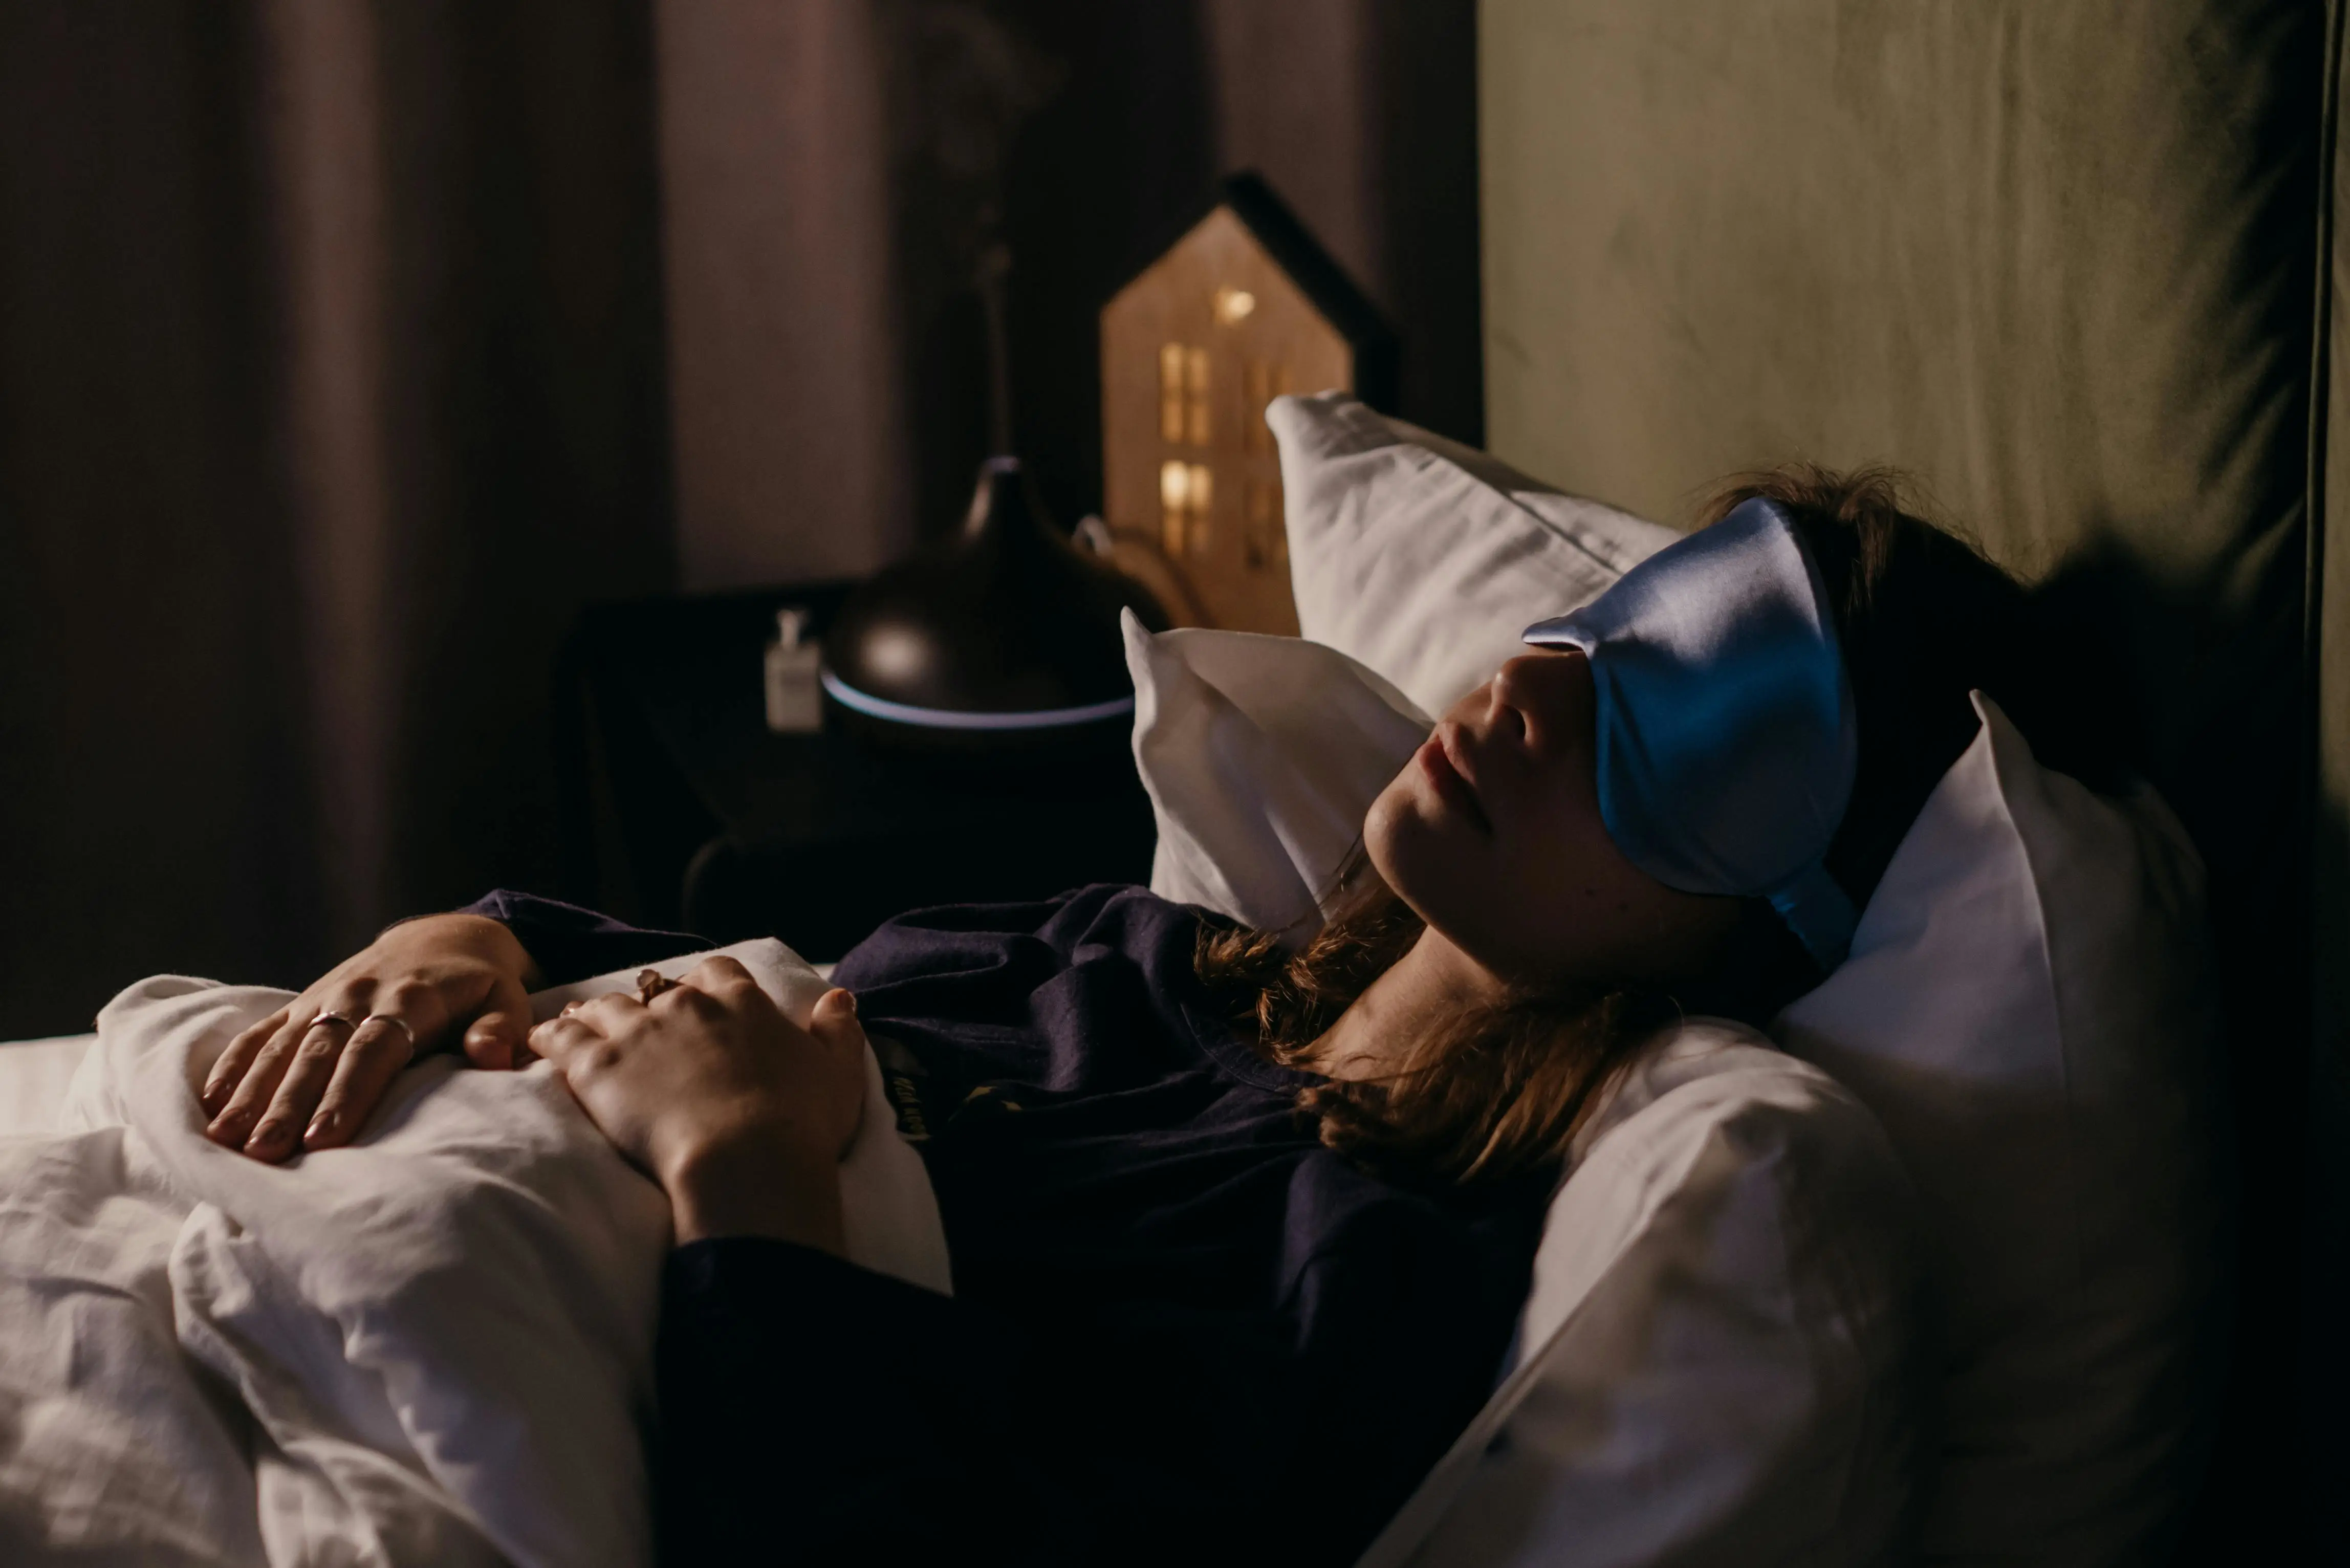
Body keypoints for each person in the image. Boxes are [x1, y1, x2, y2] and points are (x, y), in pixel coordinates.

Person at [194, 466, 2112, 1565]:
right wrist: (460, 948)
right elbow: (731, 992)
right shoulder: (1135, 956)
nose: (1527, 689)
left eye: (1685, 726)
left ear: (1782, 920)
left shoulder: (1364, 1277)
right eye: (1598, 635)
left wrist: (746, 1165)